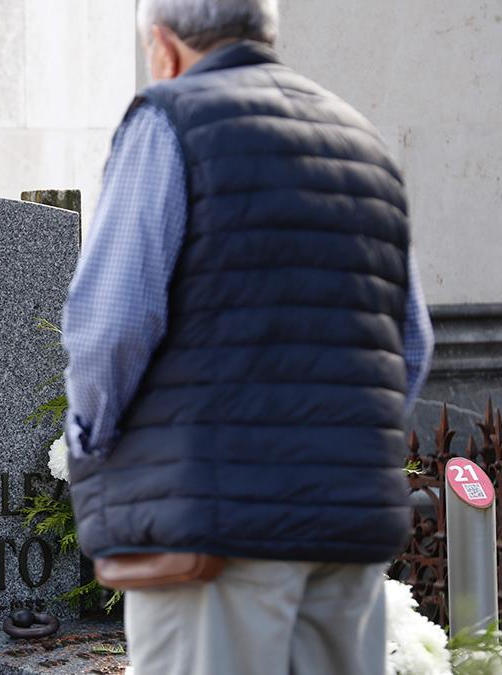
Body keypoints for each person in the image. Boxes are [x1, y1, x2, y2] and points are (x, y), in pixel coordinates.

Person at [62, 1, 434, 673]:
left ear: (164, 46)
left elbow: (112, 326)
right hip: (346, 524)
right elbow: (412, 345)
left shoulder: (169, 118)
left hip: (216, 528)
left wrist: (92, 443)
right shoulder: (363, 140)